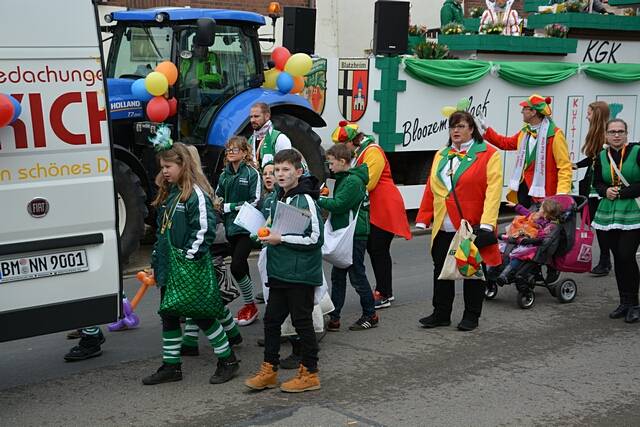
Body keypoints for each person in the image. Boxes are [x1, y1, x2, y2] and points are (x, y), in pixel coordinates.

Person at [143, 137, 239, 385]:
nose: (164, 171)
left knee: (202, 315)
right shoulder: (169, 193)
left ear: (183, 165)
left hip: (188, 266)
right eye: (162, 167)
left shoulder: (195, 194)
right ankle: (171, 365)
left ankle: (228, 359)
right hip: (169, 267)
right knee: (170, 315)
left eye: (168, 166)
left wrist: (188, 256)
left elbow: (204, 231)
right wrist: (157, 261)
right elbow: (162, 232)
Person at [245, 149, 323, 393]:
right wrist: (264, 234)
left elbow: (315, 238)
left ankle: (310, 373)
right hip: (279, 271)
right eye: (277, 169)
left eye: (285, 169)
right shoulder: (280, 197)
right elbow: (276, 229)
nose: (280, 174)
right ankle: (269, 370)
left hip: (300, 274)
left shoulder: (306, 199)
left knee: (302, 323)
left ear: (298, 172)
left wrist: (283, 239)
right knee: (271, 321)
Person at [416, 110, 503, 331]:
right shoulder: (441, 154)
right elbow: (432, 187)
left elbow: (493, 192)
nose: (456, 130)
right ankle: (441, 313)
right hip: (443, 225)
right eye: (453, 126)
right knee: (441, 270)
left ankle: (471, 316)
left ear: (472, 129)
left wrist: (487, 223)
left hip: (470, 224)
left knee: (472, 271)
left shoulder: (489, 154)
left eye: (461, 126)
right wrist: (424, 216)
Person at [331, 121, 411, 309]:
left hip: (385, 206)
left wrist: (345, 196)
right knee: (375, 249)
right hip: (373, 207)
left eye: (344, 145)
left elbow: (369, 182)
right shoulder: (361, 152)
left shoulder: (372, 151)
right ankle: (383, 291)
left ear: (352, 141)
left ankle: (384, 293)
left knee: (378, 249)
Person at [180, 144, 243, 356]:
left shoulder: (196, 189)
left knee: (203, 299)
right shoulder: (199, 184)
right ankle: (224, 335)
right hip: (209, 249)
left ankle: (223, 345)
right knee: (204, 298)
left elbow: (206, 225)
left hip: (208, 251)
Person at [318, 143, 377, 331]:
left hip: (354, 234)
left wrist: (317, 198)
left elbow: (339, 204)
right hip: (348, 233)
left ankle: (370, 314)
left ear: (343, 162)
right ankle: (335, 317)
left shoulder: (352, 181)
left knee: (356, 275)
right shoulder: (347, 178)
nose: (330, 167)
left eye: (332, 163)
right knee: (339, 276)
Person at [482, 94, 572, 208]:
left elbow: (564, 167)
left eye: (524, 108)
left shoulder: (555, 134)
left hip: (544, 193)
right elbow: (505, 143)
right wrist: (486, 130)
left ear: (533, 112)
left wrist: (562, 193)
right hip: (524, 190)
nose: (522, 111)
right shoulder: (525, 132)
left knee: (539, 225)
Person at [592, 118, 640, 323]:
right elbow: (597, 182)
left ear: (627, 134)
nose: (617, 135)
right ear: (606, 135)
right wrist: (605, 190)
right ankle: (625, 302)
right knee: (618, 258)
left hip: (633, 210)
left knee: (626, 254)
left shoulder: (637, 152)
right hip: (608, 212)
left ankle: (635, 304)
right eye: (612, 132)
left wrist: (622, 192)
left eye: (621, 131)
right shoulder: (601, 156)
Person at [215, 136, 262, 326]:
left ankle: (250, 305)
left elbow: (255, 200)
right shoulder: (224, 175)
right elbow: (217, 195)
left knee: (236, 266)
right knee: (241, 267)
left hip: (246, 228)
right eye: (228, 150)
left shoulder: (252, 173)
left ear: (244, 153)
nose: (231, 152)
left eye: (235, 149)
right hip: (229, 228)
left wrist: (229, 207)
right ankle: (250, 306)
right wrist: (216, 202)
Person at [574, 101, 612, 276]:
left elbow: (601, 162)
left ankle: (605, 260)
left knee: (601, 225)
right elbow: (592, 159)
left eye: (589, 113)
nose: (586, 116)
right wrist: (576, 165)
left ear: (596, 114)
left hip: (599, 188)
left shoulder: (607, 136)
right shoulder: (597, 135)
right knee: (597, 224)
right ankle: (605, 259)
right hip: (591, 185)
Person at [498, 198, 563, 285]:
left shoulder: (548, 225)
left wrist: (530, 237)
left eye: (540, 208)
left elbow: (542, 237)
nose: (538, 209)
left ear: (545, 214)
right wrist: (516, 206)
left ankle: (505, 275)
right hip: (525, 240)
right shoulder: (536, 217)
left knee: (517, 256)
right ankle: (499, 271)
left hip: (532, 245)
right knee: (506, 250)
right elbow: (527, 213)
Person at [248, 102, 292, 169]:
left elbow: (286, 167)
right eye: (251, 117)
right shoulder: (250, 140)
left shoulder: (280, 138)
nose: (252, 120)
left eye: (256, 116)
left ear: (267, 116)